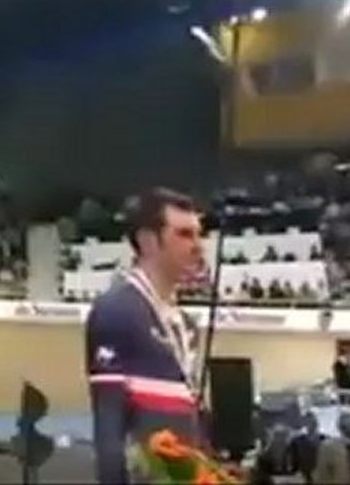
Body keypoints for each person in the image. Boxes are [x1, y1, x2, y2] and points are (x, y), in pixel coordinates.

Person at [85, 187, 206, 484]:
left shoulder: (186, 324)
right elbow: (109, 436)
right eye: (184, 234)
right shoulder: (116, 311)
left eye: (199, 234)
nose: (199, 246)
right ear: (149, 241)